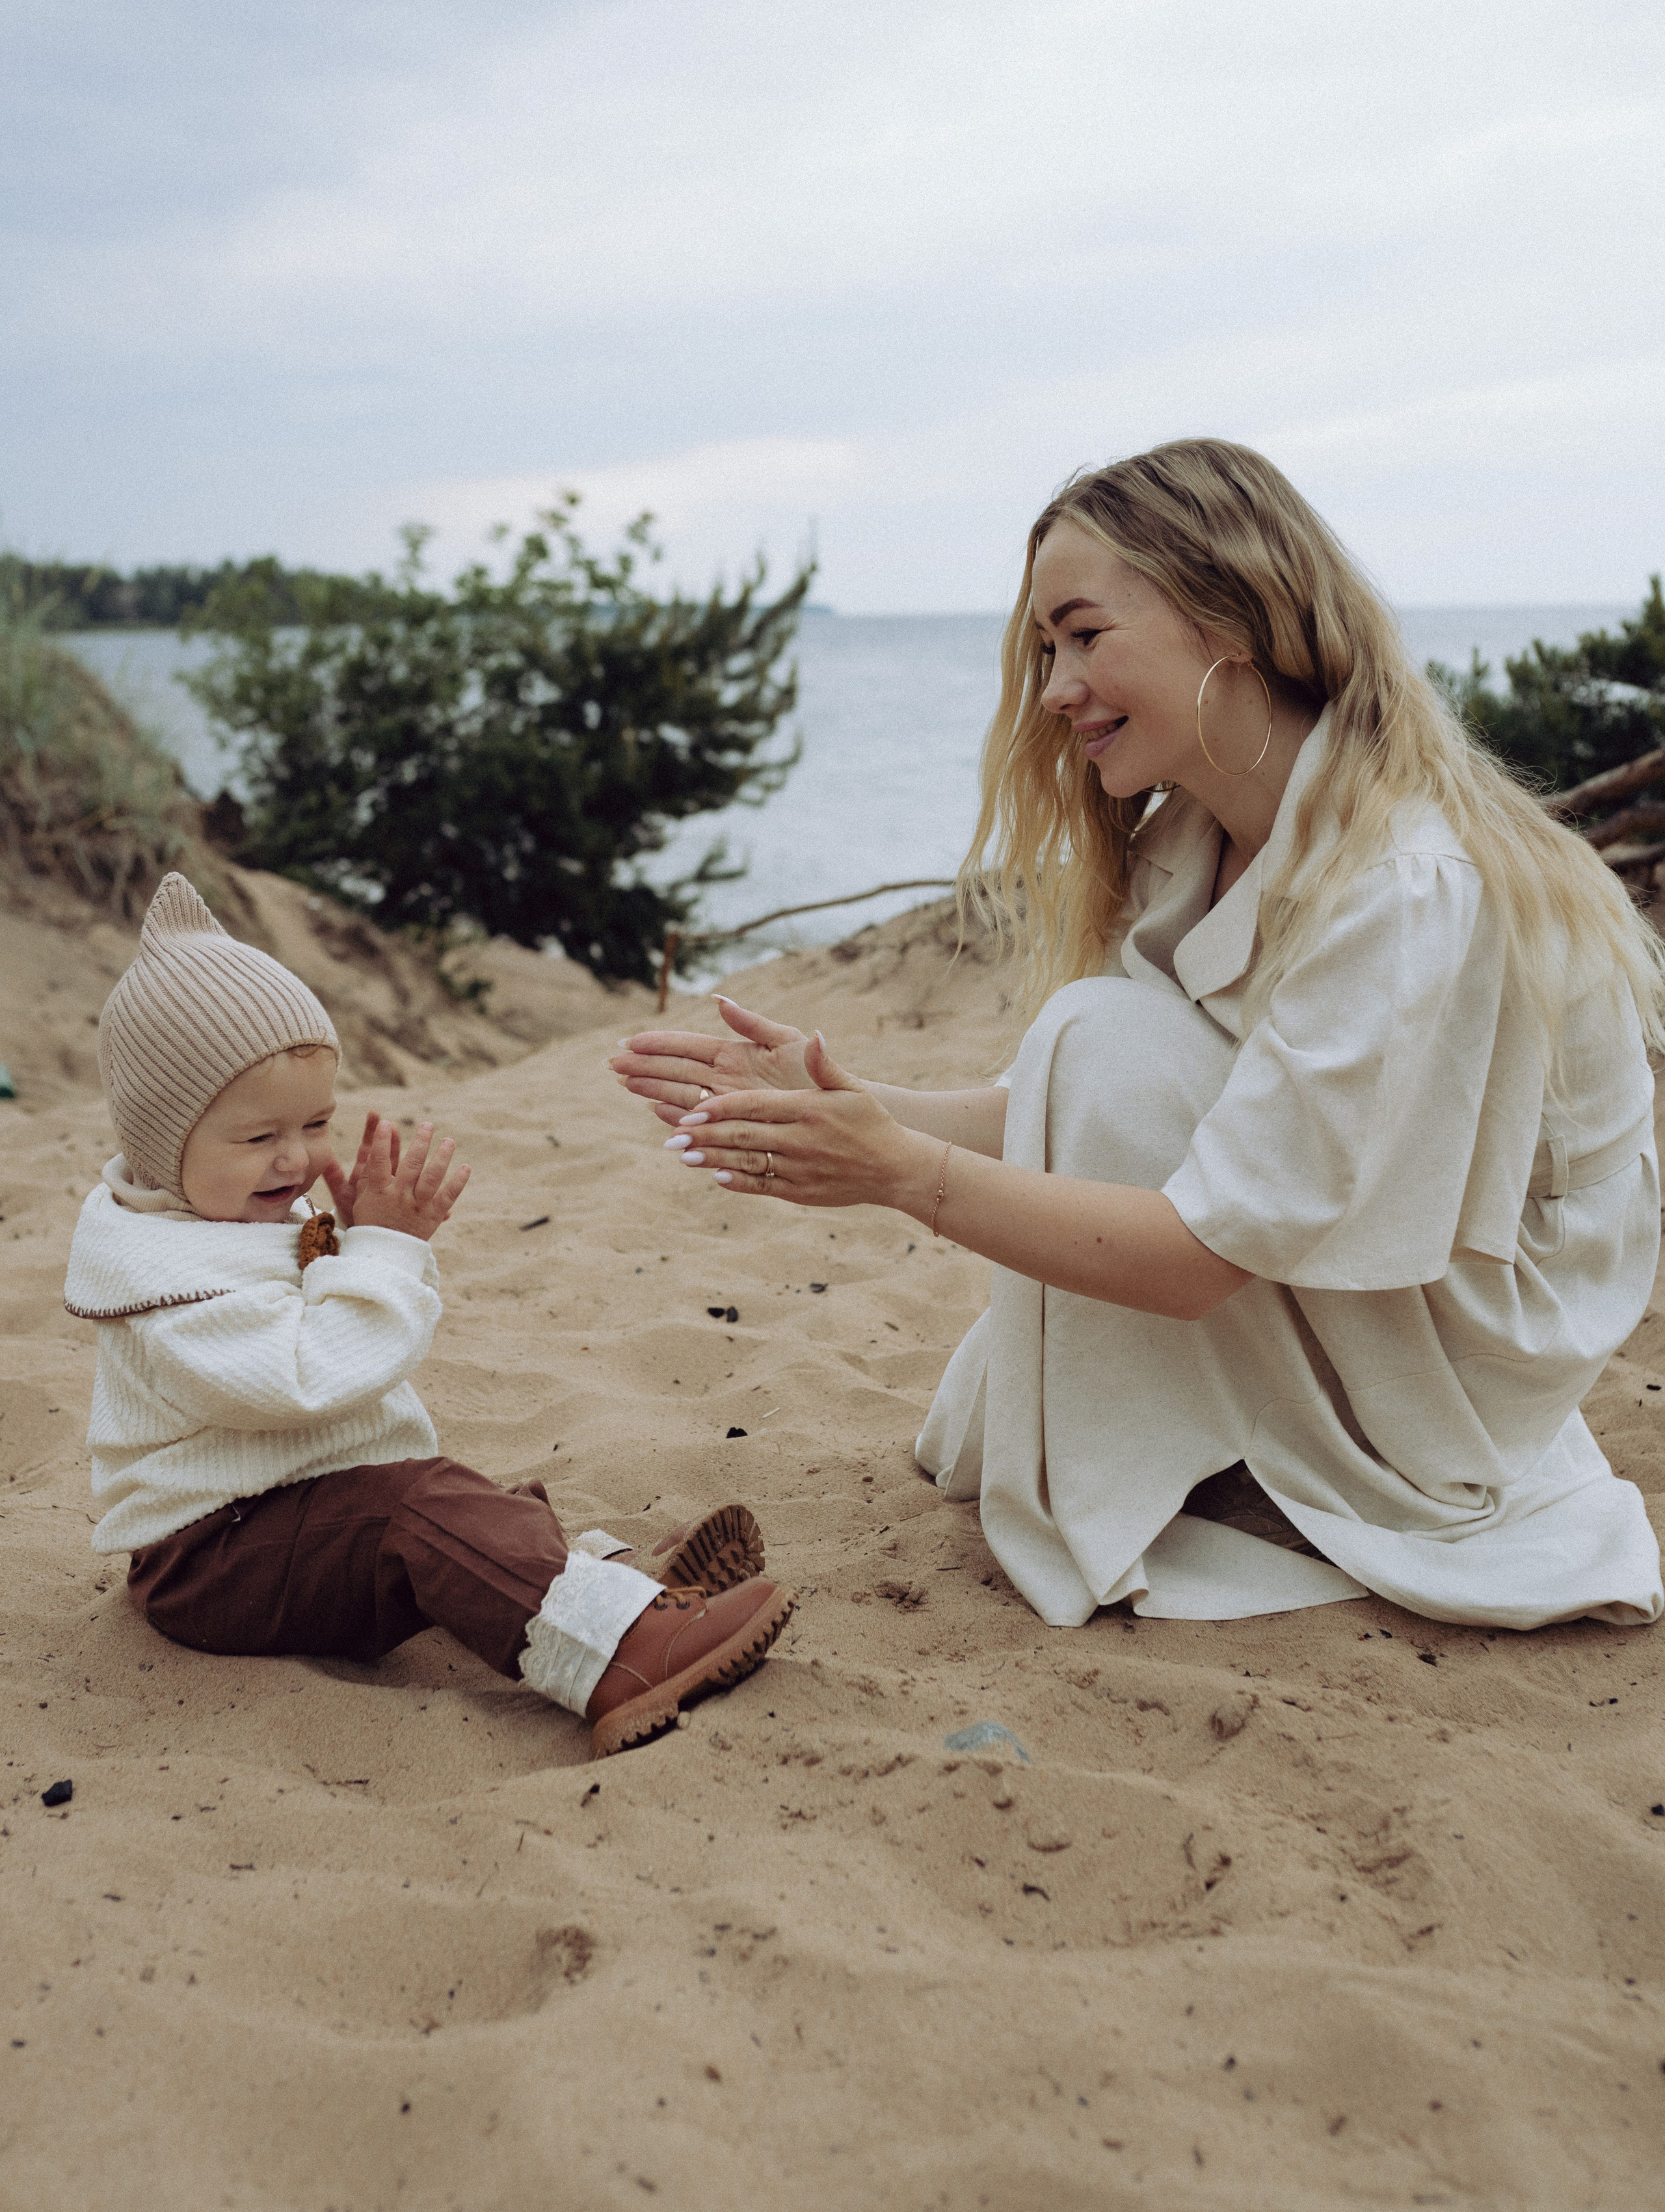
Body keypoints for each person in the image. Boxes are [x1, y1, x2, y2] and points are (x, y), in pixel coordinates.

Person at [611, 438, 1665, 1634]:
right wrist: (838, 1098)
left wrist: (900, 1178)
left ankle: (1293, 1470)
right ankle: (1235, 1445)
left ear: (1233, 618)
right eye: (1046, 650)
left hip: (1477, 1342)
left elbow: (1201, 1250)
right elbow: (1054, 1098)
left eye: (1085, 636)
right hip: (1372, 1248)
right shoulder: (1199, 835)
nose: (1057, 687)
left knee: (1102, 1034)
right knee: (1092, 1033)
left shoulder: (1405, 881)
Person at [66, 873, 793, 1757]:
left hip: (273, 1514)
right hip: (209, 1560)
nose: (296, 1158)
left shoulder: (224, 1209)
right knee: (417, 1513)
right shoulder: (163, 1277)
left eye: (318, 1121)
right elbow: (310, 1373)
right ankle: (622, 1655)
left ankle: (603, 1592)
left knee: (458, 1500)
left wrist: (364, 1232)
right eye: (260, 1139)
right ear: (160, 1141)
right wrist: (382, 1249)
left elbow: (340, 1315)